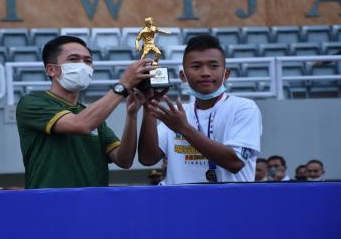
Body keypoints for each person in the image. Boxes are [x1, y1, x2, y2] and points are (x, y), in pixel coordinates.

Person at [16, 36, 155, 188]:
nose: (82, 66)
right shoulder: (32, 102)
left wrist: (132, 116)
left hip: (93, 204)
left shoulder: (91, 115)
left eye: (88, 61)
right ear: (51, 70)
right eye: (73, 59)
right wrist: (123, 85)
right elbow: (81, 124)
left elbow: (124, 160)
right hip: (50, 203)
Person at [137, 34, 262, 184]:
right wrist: (149, 108)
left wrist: (183, 128)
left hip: (229, 203)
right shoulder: (177, 113)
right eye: (196, 66)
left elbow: (235, 163)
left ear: (226, 74)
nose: (205, 73)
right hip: (181, 203)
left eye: (214, 66)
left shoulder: (244, 108)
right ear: (183, 76)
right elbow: (147, 159)